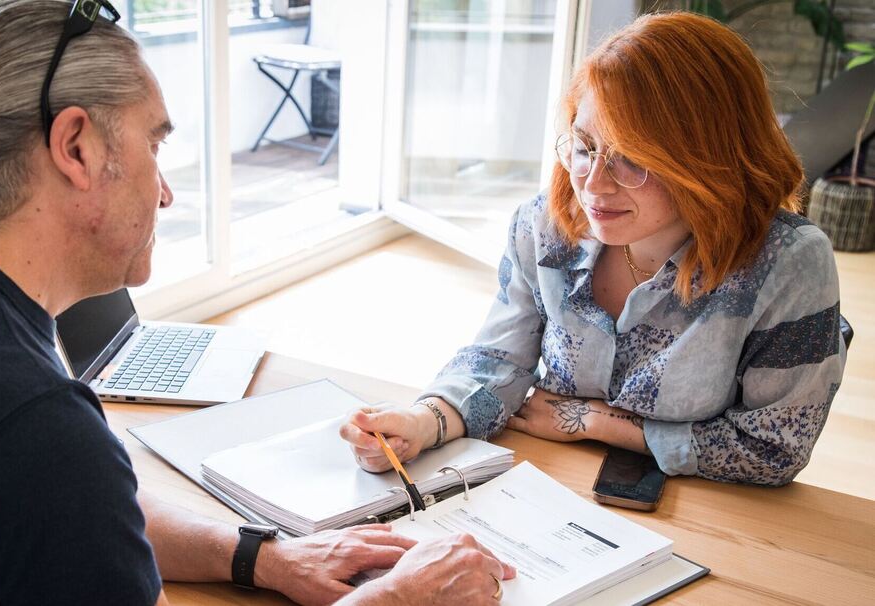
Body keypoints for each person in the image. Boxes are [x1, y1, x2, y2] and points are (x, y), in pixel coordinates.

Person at [0, 1, 514, 604]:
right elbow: (52, 481)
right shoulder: (26, 423)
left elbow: (73, 516)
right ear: (76, 146)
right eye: (156, 142)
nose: (165, 194)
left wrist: (262, 556)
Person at [341, 11, 846, 488]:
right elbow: (499, 360)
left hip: (711, 511)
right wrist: (422, 421)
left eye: (631, 159)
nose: (595, 186)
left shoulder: (786, 261)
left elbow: (774, 448)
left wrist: (596, 423)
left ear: (708, 160)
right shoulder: (545, 224)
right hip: (551, 483)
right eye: (584, 147)